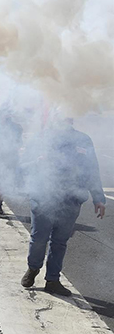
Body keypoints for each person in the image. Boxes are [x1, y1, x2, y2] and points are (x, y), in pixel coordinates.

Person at [20, 118, 106, 297]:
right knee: (38, 239)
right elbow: (23, 166)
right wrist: (38, 161)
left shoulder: (83, 140)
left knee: (59, 242)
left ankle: (52, 280)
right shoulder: (41, 138)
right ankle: (33, 269)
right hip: (43, 198)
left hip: (71, 200)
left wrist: (98, 198)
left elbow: (91, 169)